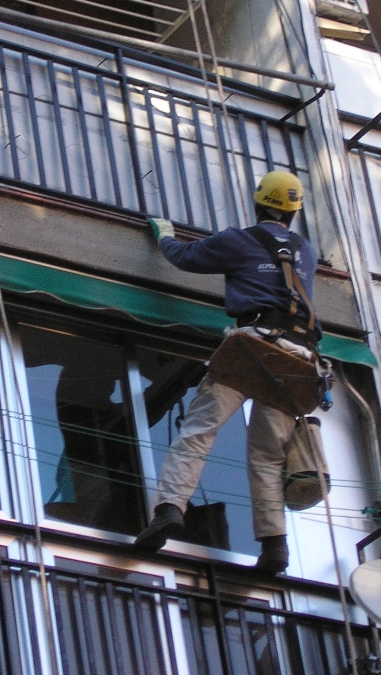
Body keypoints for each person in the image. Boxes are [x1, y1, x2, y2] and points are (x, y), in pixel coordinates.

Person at [133, 171, 320, 574]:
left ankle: (169, 509)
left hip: (252, 345)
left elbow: (185, 258)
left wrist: (164, 236)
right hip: (298, 357)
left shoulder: (239, 240)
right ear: (294, 212)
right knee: (269, 456)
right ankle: (274, 547)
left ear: (258, 203)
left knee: (199, 431)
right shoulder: (307, 251)